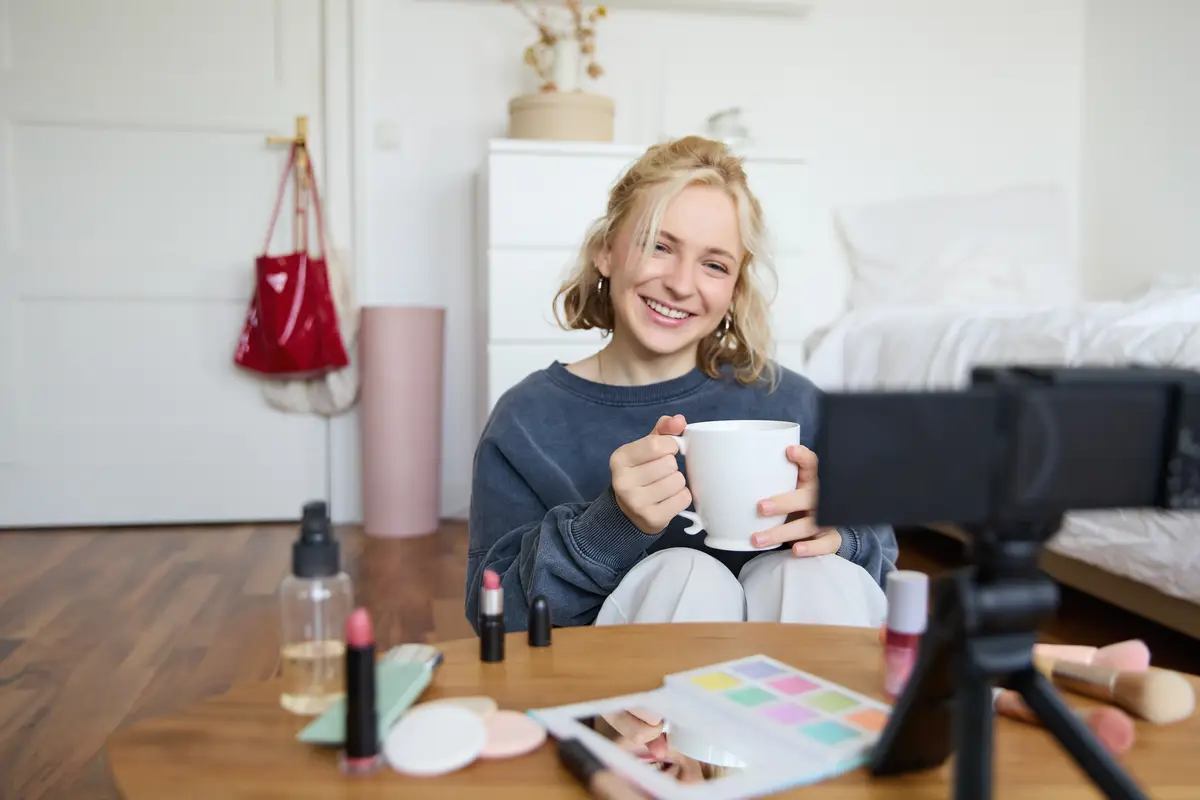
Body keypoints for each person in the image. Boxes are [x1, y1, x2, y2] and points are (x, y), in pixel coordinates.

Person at [465, 136, 896, 633]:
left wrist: (843, 534)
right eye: (659, 246)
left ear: (734, 288)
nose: (681, 284)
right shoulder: (528, 421)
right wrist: (610, 525)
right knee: (684, 572)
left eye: (714, 264)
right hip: (621, 700)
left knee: (809, 571)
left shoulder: (796, 403)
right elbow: (496, 617)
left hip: (788, 692)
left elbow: (884, 565)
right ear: (606, 251)